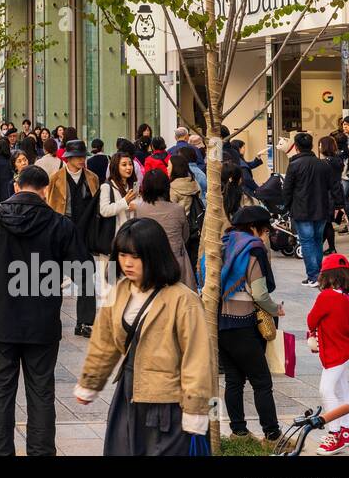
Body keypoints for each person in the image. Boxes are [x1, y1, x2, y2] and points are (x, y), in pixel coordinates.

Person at [0, 165, 84, 455]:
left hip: (0, 321)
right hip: (42, 323)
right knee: (41, 393)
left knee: (0, 392)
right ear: (45, 190)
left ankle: (0, 452)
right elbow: (83, 271)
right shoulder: (60, 224)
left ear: (16, 187)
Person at [75, 218, 212, 455]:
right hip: (127, 397)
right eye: (122, 255)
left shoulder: (183, 300)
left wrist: (195, 409)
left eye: (135, 256)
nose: (127, 263)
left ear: (154, 255)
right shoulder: (119, 293)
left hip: (167, 404)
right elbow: (103, 344)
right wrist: (90, 383)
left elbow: (197, 360)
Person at [198, 206, 283, 442]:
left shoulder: (222, 245)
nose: (265, 237)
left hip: (219, 324)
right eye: (265, 231)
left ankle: (239, 432)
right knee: (261, 381)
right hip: (244, 325)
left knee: (234, 380)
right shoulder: (252, 250)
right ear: (255, 228)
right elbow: (259, 294)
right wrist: (276, 309)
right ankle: (272, 434)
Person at [307, 253, 349, 454]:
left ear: (326, 276)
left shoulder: (326, 296)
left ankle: (334, 434)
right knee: (342, 390)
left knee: (326, 390)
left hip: (332, 352)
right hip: (345, 350)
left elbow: (311, 320)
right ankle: (346, 431)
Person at [46, 140, 101, 336]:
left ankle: (85, 323)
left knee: (86, 278)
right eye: (77, 157)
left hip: (83, 235)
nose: (81, 160)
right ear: (67, 158)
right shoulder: (56, 178)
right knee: (52, 279)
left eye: (83, 156)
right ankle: (49, 319)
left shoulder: (93, 178)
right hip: (61, 233)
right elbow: (48, 204)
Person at [283, 131, 343, 287]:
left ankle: (313, 276)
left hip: (301, 209)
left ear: (296, 147)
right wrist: (339, 204)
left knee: (307, 241)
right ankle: (319, 275)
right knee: (316, 240)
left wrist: (286, 206)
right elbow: (335, 185)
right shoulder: (323, 165)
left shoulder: (294, 165)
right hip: (322, 208)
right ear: (311, 146)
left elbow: (287, 189)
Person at [130, 168, 195, 291]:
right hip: (175, 263)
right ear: (167, 186)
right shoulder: (177, 209)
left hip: (149, 262)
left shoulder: (139, 208)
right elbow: (185, 236)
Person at [169, 150, 203, 269]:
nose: (167, 168)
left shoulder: (172, 188)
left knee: (181, 261)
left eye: (169, 166)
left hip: (180, 228)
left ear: (175, 168)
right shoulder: (194, 183)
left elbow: (171, 210)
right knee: (193, 260)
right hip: (195, 225)